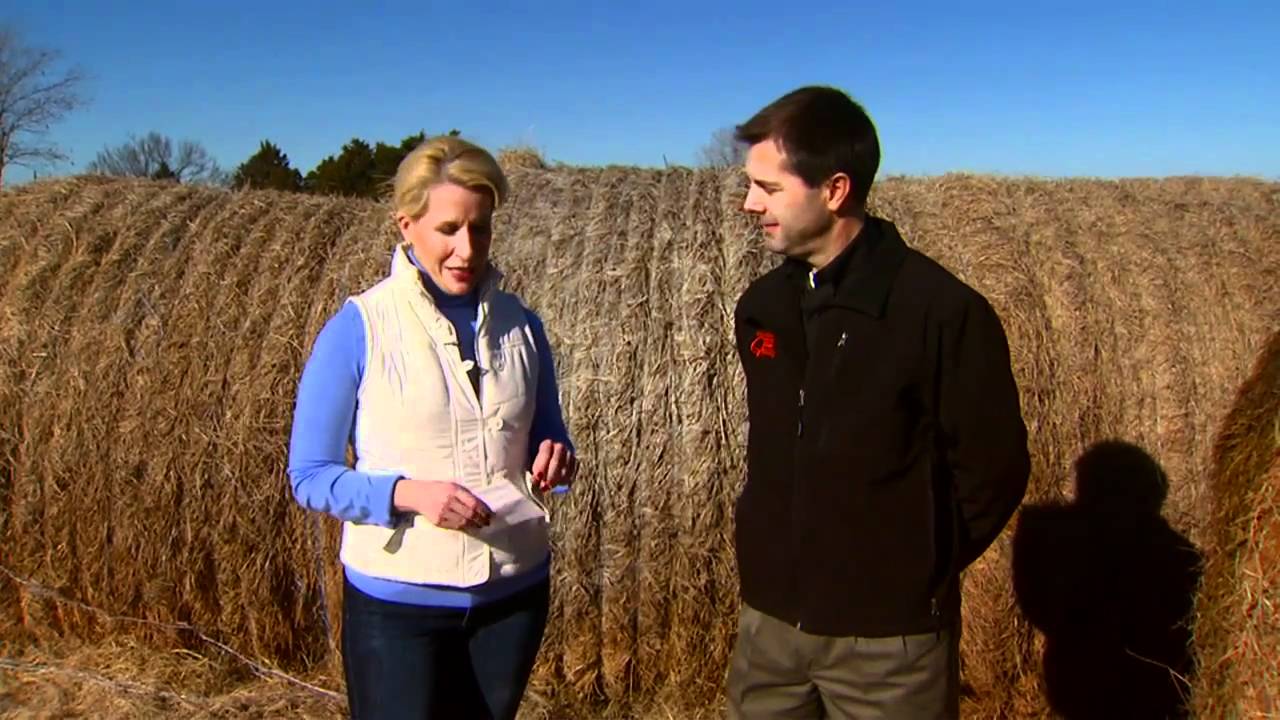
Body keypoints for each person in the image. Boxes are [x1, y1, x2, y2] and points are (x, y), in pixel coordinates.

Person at [725, 85, 1031, 719]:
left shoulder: (941, 313)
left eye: (769, 188)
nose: (750, 204)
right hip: (768, 632)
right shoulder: (763, 308)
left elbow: (993, 472)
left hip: (889, 650)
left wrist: (907, 567)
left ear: (835, 191)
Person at [287, 135, 577, 720]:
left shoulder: (524, 327)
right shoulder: (359, 327)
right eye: (448, 229)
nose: (466, 249)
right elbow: (309, 475)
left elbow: (549, 438)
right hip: (398, 608)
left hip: (514, 594)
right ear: (407, 225)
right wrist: (408, 494)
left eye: (481, 229)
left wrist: (557, 460)